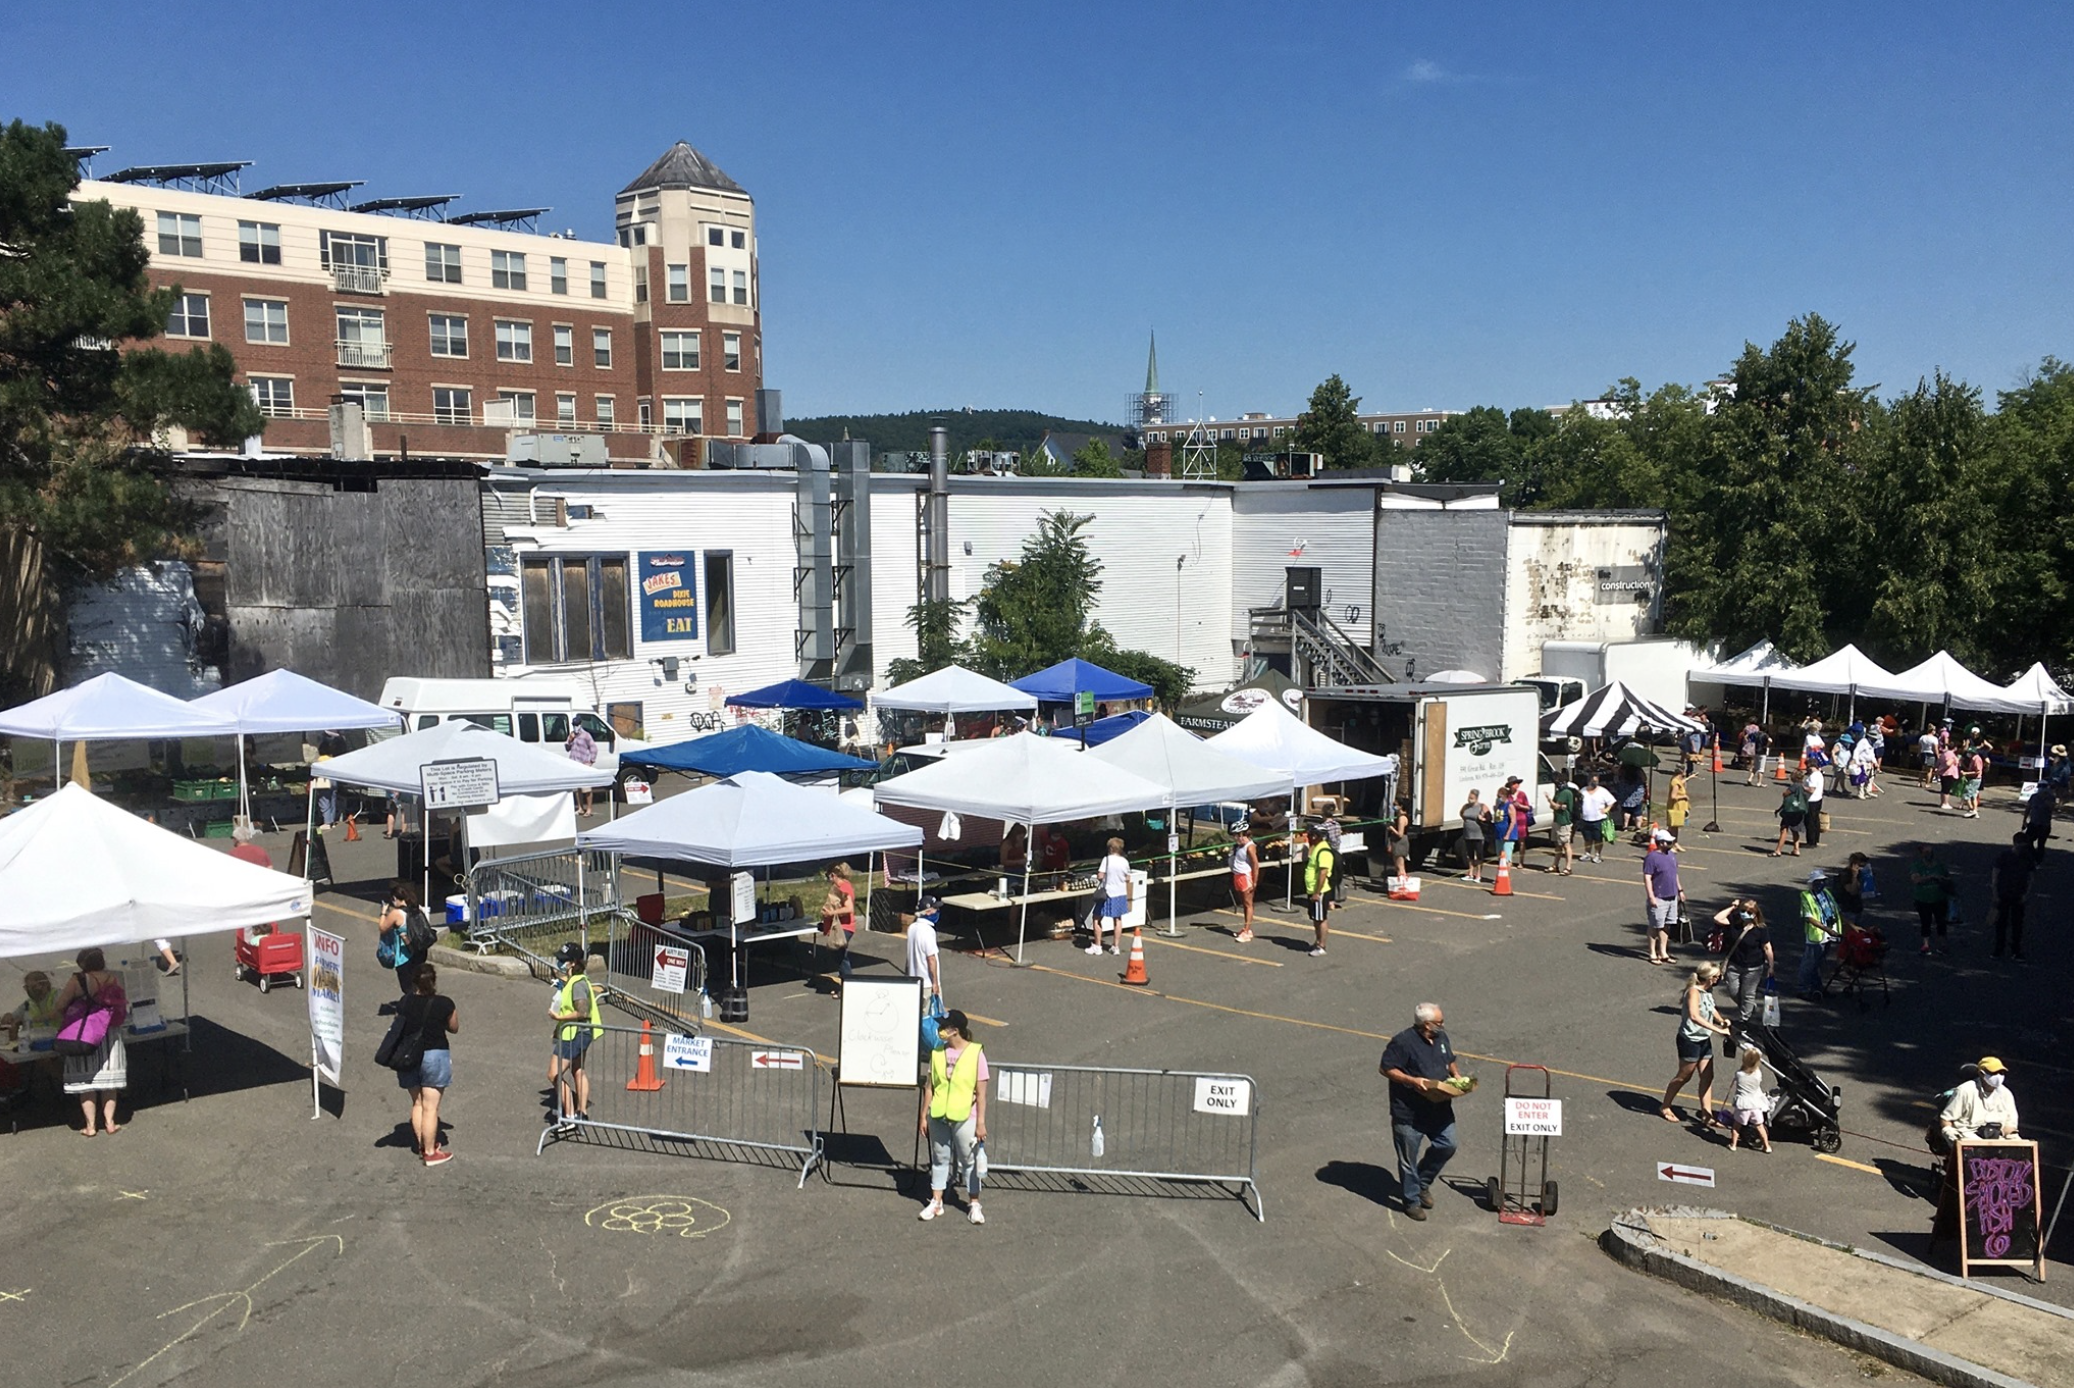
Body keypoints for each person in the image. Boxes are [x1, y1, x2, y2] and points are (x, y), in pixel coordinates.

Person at [1378, 1002, 1462, 1220]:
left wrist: (1457, 1077)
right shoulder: (1403, 1042)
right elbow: (1386, 1068)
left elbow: (1449, 1059)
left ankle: (1422, 1182)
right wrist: (1412, 1080)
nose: (1442, 1025)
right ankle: (1412, 1200)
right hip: (1409, 1113)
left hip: (1439, 1107)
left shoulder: (1441, 1038)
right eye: (1438, 1022)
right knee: (1408, 1160)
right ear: (1426, 1024)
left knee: (1448, 1144)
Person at [916, 1009, 988, 1225]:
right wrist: (923, 1115)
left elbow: (982, 1092)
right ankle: (936, 1201)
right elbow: (930, 1087)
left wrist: (981, 1123)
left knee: (969, 1161)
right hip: (938, 1114)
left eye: (943, 1027)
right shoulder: (937, 1053)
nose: (939, 1030)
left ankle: (974, 1203)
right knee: (939, 1159)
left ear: (955, 1030)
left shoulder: (976, 1054)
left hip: (965, 1115)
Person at [55, 948, 128, 1136]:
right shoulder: (112, 978)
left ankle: (90, 1126)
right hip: (108, 1032)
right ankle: (110, 1122)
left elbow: (60, 1005)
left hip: (84, 1033)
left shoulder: (78, 980)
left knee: (86, 1081)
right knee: (109, 1080)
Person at [396, 963, 458, 1165]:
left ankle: (423, 1145)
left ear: (414, 982)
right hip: (434, 1055)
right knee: (431, 1108)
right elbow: (454, 1027)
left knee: (418, 1103)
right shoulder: (445, 1003)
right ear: (434, 981)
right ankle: (431, 1152)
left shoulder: (404, 1002)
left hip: (409, 1057)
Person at [1661, 962, 1731, 1124]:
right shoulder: (1693, 992)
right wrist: (1717, 1030)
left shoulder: (1707, 991)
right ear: (1710, 978)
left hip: (1703, 1039)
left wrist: (1721, 1020)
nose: (1719, 979)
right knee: (1684, 1076)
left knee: (1707, 1076)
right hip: (1690, 1041)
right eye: (1717, 977)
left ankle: (1707, 1114)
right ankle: (1665, 1106)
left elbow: (1710, 1008)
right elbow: (1694, 1016)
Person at [547, 942, 602, 1131]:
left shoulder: (578, 984)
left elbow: (582, 1012)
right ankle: (581, 1112)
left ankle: (569, 1115)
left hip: (575, 1034)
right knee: (577, 1070)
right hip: (579, 1032)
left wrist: (558, 1017)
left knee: (554, 1074)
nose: (559, 963)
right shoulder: (576, 980)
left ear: (573, 963)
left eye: (563, 960)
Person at [1715, 899, 1773, 1037]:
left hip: (1753, 967)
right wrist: (1733, 907)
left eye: (1749, 912)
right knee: (1733, 991)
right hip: (1734, 965)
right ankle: (1749, 1007)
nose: (1745, 914)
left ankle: (1744, 1020)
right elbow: (1717, 918)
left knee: (1748, 993)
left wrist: (1771, 966)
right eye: (1742, 911)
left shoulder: (1761, 929)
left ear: (1755, 914)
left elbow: (1767, 947)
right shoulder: (1734, 923)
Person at [1938, 1057, 2020, 1145]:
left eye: (2001, 1073)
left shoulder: (2006, 1094)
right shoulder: (1965, 1090)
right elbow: (1946, 1119)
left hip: (1996, 1137)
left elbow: (2009, 1125)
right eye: (1994, 1073)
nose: (1998, 1076)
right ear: (1981, 1073)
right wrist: (1949, 1133)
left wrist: (2013, 1138)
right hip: (1968, 1135)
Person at [1797, 870, 1843, 1000]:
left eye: (1823, 881)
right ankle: (1803, 989)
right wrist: (1826, 929)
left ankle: (1817, 988)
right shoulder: (1807, 896)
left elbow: (1836, 911)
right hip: (1816, 936)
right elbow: (1808, 918)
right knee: (1809, 964)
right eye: (1818, 881)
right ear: (1812, 883)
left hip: (1829, 935)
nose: (1821, 884)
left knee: (1817, 963)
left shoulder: (1826, 893)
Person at [378, 881, 429, 996]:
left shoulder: (397, 913)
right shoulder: (417, 908)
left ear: (395, 898)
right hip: (419, 951)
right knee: (418, 982)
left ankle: (414, 1008)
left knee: (407, 987)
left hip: (405, 956)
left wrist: (383, 913)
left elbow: (382, 928)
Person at [1642, 828, 1684, 964]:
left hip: (1671, 896)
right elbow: (1647, 878)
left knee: (1666, 925)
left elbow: (1674, 874)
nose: (1671, 844)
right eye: (1668, 842)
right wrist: (1651, 897)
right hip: (1659, 897)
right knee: (1654, 926)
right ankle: (1652, 953)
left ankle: (1663, 952)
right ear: (1661, 843)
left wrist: (1680, 890)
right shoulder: (1651, 858)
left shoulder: (1671, 855)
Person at [1990, 832, 2035, 960]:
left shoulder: (2026, 857)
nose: (2023, 849)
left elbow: (2031, 877)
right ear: (2015, 844)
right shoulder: (2004, 856)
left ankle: (2014, 949)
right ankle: (2000, 949)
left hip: (2017, 894)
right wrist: (1995, 893)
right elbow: (1995, 875)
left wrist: (2026, 894)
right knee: (2001, 923)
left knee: (2017, 924)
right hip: (2004, 893)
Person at [1908, 842, 1954, 957]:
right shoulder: (1917, 865)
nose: (1929, 855)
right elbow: (1916, 880)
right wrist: (1931, 877)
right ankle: (1926, 945)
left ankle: (1942, 945)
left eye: (1931, 852)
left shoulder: (1940, 865)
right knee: (1925, 922)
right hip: (1923, 899)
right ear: (1921, 853)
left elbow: (1948, 879)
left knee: (1941, 922)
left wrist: (1942, 879)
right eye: (1927, 852)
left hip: (1939, 899)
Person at [1724, 1048, 1774, 1153]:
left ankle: (1733, 1144)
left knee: (1736, 1126)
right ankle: (1767, 1146)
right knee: (1760, 1127)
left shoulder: (1739, 1074)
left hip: (1743, 1105)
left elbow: (1740, 1073)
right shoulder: (1758, 1074)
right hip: (1755, 1105)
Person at [1089, 837, 1133, 956]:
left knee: (1096, 918)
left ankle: (1097, 946)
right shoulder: (1125, 861)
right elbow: (1128, 878)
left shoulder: (1106, 860)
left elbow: (1100, 876)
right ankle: (1116, 946)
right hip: (1120, 893)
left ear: (1111, 848)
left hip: (1107, 893)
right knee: (1117, 920)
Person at [818, 862, 858, 989]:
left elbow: (849, 908)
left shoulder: (843, 887)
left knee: (840, 956)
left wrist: (832, 913)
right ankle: (844, 985)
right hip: (839, 927)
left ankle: (848, 985)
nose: (828, 879)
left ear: (833, 875)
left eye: (828, 876)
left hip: (844, 927)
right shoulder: (840, 886)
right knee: (839, 956)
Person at [1301, 827, 1335, 957]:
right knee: (1315, 918)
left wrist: (1317, 892)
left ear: (1315, 836)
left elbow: (1323, 872)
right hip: (1313, 890)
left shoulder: (1323, 851)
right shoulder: (1317, 848)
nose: (1308, 838)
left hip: (1319, 891)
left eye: (1309, 836)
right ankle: (1317, 941)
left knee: (1321, 919)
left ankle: (1322, 945)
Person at [905, 896, 943, 1006]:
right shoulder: (928, 931)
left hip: (914, 981)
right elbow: (931, 958)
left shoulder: (912, 928)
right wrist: (935, 983)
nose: (937, 912)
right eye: (936, 909)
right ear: (929, 911)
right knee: (930, 1018)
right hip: (927, 983)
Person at [1229, 826, 1260, 943]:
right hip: (1238, 875)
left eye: (1237, 835)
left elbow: (1255, 865)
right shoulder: (1238, 846)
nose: (1236, 838)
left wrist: (1255, 881)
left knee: (1248, 903)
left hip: (1245, 876)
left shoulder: (1250, 847)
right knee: (1243, 903)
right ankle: (1246, 928)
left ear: (1243, 834)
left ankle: (1247, 930)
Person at [1578, 774, 1616, 864]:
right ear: (1588, 781)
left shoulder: (1603, 791)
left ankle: (1597, 855)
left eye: (1596, 781)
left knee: (1598, 839)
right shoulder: (1583, 791)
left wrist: (1606, 809)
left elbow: (1612, 801)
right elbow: (1578, 801)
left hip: (1599, 819)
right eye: (1592, 781)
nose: (1594, 782)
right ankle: (1587, 853)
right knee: (1587, 839)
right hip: (1585, 819)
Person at [1834, 851, 1876, 927]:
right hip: (1847, 909)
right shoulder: (1845, 875)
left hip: (1857, 908)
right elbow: (1852, 891)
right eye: (1861, 865)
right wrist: (1854, 876)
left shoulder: (1861, 874)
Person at [565, 721, 598, 817]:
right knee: (577, 788)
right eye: (574, 724)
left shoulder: (586, 735)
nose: (575, 726)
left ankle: (589, 809)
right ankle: (580, 808)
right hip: (574, 763)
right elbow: (567, 748)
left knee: (586, 788)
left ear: (580, 724)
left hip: (584, 763)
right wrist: (570, 740)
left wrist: (591, 760)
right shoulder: (572, 734)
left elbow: (593, 748)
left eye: (577, 724)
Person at [1457, 789, 1489, 884]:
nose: (1469, 800)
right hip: (1468, 834)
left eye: (1472, 798)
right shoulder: (1466, 807)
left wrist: (1482, 818)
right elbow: (1462, 814)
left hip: (1478, 835)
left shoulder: (1482, 806)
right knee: (1469, 855)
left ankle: (1478, 874)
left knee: (1479, 855)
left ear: (1476, 798)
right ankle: (1470, 873)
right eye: (1469, 797)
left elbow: (1488, 818)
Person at [2021, 781, 2056, 865]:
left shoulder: (2051, 797)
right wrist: (2024, 820)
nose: (2042, 788)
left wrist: (2045, 799)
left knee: (2041, 844)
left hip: (2044, 825)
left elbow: (2052, 808)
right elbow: (2028, 808)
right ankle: (2033, 856)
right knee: (2028, 841)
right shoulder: (2034, 797)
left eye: (2044, 786)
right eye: (2040, 786)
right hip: (2033, 823)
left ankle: (2038, 861)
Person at [1549, 773, 1578, 876]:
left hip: (1564, 821)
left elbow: (1555, 805)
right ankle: (1555, 865)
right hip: (1557, 820)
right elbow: (1554, 806)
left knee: (1566, 844)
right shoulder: (1559, 792)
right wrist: (1556, 805)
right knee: (1557, 844)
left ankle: (1568, 867)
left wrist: (1550, 800)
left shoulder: (1566, 792)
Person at [1771, 779, 1807, 856]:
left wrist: (1780, 808)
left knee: (1784, 829)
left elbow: (1785, 794)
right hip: (1798, 810)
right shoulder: (1803, 787)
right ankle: (1796, 849)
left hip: (1790, 811)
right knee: (1795, 830)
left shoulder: (1794, 786)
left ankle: (1778, 850)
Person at [1383, 804, 1411, 885]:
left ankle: (1402, 885)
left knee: (1400, 866)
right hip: (1398, 842)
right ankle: (1401, 884)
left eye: (1396, 805)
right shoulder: (1400, 817)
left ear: (1401, 806)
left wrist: (1391, 828)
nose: (1394, 806)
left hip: (1400, 843)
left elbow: (1400, 834)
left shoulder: (1402, 818)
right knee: (1398, 865)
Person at [1801, 761, 1826, 850]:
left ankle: (1811, 842)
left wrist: (1802, 788)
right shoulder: (1819, 774)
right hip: (1818, 799)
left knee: (1810, 821)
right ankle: (1816, 839)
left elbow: (1811, 790)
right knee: (1816, 820)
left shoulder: (1813, 777)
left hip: (1811, 801)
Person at [1665, 770, 1690, 850]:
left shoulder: (1677, 781)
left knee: (1676, 826)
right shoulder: (1675, 783)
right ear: (1681, 773)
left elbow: (1681, 782)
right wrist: (1684, 797)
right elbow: (1673, 796)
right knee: (1672, 827)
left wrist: (1689, 778)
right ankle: (1669, 844)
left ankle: (1675, 843)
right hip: (1675, 807)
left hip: (1679, 807)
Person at [1741, 721, 1769, 786]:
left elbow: (1746, 736)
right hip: (1762, 752)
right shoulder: (1765, 735)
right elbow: (1770, 740)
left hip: (1755, 751)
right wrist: (1767, 745)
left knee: (1755, 767)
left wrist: (1749, 742)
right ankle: (1759, 782)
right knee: (1761, 768)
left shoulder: (1755, 733)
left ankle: (1750, 779)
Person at [1935, 742, 1961, 810]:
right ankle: (1945, 803)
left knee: (1944, 788)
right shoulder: (1951, 754)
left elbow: (1938, 762)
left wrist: (1939, 769)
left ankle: (1942, 802)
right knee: (1947, 789)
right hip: (1949, 773)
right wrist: (1952, 761)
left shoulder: (1944, 753)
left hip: (1943, 773)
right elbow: (1948, 763)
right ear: (1955, 748)